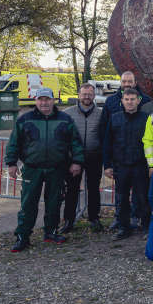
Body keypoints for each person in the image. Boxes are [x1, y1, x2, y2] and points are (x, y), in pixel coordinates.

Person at [6, 88, 84, 252]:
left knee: (54, 202)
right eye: (40, 99)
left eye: (47, 99)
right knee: (28, 204)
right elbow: (14, 143)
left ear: (53, 100)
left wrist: (77, 162)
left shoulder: (65, 119)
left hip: (57, 168)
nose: (44, 103)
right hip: (32, 169)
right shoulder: (24, 119)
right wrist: (11, 163)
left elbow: (76, 143)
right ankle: (23, 237)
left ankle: (51, 232)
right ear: (36, 101)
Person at [99, 70, 152, 230]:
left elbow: (151, 142)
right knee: (121, 197)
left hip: (140, 164)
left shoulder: (145, 119)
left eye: (132, 99)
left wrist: (151, 164)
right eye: (127, 99)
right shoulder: (115, 118)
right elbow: (107, 141)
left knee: (142, 196)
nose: (129, 102)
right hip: (121, 164)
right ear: (122, 101)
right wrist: (107, 164)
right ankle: (123, 226)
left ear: (138, 101)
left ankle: (145, 225)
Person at [61, 83, 104, 234]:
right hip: (74, 159)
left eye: (90, 94)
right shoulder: (67, 114)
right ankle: (69, 220)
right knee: (72, 189)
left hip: (95, 157)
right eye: (84, 94)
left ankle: (94, 218)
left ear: (94, 96)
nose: (87, 97)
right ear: (78, 95)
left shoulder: (101, 113)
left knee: (93, 189)